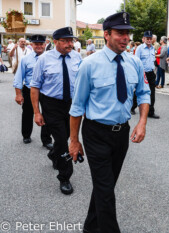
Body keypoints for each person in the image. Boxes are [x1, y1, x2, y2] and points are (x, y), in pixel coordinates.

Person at [69, 12, 150, 233]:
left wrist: (142, 122)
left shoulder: (134, 62)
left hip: (121, 134)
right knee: (105, 190)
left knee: (106, 186)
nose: (125, 38)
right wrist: (74, 141)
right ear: (106, 35)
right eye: (120, 33)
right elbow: (77, 107)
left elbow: (144, 94)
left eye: (128, 33)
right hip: (96, 133)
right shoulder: (89, 65)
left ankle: (90, 227)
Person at [30, 27, 82, 195]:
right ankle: (65, 177)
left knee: (65, 137)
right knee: (62, 140)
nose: (69, 44)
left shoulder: (77, 57)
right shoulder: (44, 59)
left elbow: (82, 82)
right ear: (55, 42)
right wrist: (37, 112)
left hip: (72, 104)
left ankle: (54, 154)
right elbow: (35, 86)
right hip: (51, 104)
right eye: (65, 41)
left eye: (71, 40)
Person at [13, 35, 53, 148]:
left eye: (41, 44)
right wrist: (18, 94)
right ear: (32, 45)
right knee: (27, 113)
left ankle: (46, 140)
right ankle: (26, 135)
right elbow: (19, 77)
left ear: (45, 45)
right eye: (36, 44)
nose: (39, 46)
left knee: (47, 114)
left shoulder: (50, 58)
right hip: (29, 90)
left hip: (46, 91)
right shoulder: (26, 59)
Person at [133, 31, 159, 118]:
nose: (149, 40)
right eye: (147, 38)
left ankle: (150, 112)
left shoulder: (152, 48)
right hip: (142, 74)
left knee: (152, 93)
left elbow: (153, 60)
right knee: (139, 91)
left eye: (150, 38)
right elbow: (136, 61)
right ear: (143, 39)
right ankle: (132, 107)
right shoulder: (140, 48)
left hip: (151, 73)